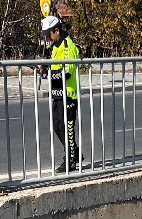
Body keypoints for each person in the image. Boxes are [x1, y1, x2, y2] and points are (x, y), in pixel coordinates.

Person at [39, 16, 80, 173]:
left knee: (67, 128)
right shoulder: (55, 47)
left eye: (49, 34)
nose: (47, 38)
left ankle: (70, 161)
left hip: (68, 95)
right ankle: (74, 153)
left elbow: (66, 73)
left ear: (56, 30)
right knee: (57, 127)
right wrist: (43, 71)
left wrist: (47, 73)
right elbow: (52, 70)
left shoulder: (67, 46)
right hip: (57, 94)